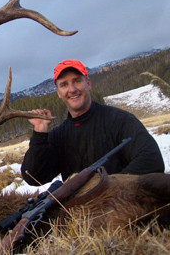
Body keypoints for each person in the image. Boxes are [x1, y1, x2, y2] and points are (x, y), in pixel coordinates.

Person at [21, 59, 165, 186]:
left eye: (77, 81)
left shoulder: (120, 120)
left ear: (88, 83)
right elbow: (33, 177)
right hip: (80, 213)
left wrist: (105, 188)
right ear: (59, 93)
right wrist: (39, 134)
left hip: (122, 207)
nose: (72, 89)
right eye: (64, 84)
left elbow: (152, 160)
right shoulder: (59, 136)